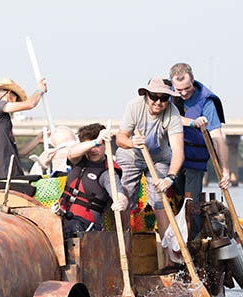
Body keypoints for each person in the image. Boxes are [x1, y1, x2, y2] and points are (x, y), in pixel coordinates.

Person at [115, 77, 184, 264]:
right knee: (124, 200)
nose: (158, 102)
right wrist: (131, 143)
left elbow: (178, 152)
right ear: (146, 95)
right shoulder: (134, 106)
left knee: (160, 202)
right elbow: (120, 138)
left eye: (164, 98)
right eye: (154, 97)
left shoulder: (172, 112)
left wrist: (169, 178)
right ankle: (122, 254)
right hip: (130, 156)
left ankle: (168, 261)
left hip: (159, 159)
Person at [169, 62, 230, 237]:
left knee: (192, 203)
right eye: (178, 90)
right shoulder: (167, 95)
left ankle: (194, 242)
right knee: (170, 199)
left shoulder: (206, 101)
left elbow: (218, 138)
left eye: (187, 88)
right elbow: (162, 117)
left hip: (194, 162)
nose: (183, 93)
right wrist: (191, 122)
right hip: (172, 159)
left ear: (193, 81)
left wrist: (225, 170)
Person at [59, 123, 128, 239]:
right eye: (90, 145)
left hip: (85, 226)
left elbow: (120, 195)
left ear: (106, 145)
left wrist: (121, 203)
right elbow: (71, 153)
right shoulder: (78, 159)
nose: (94, 150)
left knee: (69, 228)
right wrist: (96, 141)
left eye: (99, 145)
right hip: (61, 216)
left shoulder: (107, 172)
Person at [0, 77, 47, 177]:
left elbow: (17, 154)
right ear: (9, 94)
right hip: (4, 175)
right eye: (16, 98)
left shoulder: (2, 118)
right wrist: (39, 90)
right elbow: (30, 104)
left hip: (13, 174)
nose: (16, 101)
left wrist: (37, 140)